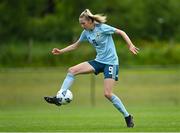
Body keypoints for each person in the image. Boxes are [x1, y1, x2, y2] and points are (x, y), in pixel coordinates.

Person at [44, 9, 139, 128]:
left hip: (111, 63)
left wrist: (130, 45)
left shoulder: (102, 28)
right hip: (98, 61)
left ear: (90, 21)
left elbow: (121, 32)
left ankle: (127, 116)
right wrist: (60, 51)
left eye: (83, 23)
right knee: (71, 70)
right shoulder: (86, 32)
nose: (82, 25)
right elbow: (75, 45)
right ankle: (59, 97)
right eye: (80, 24)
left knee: (107, 94)